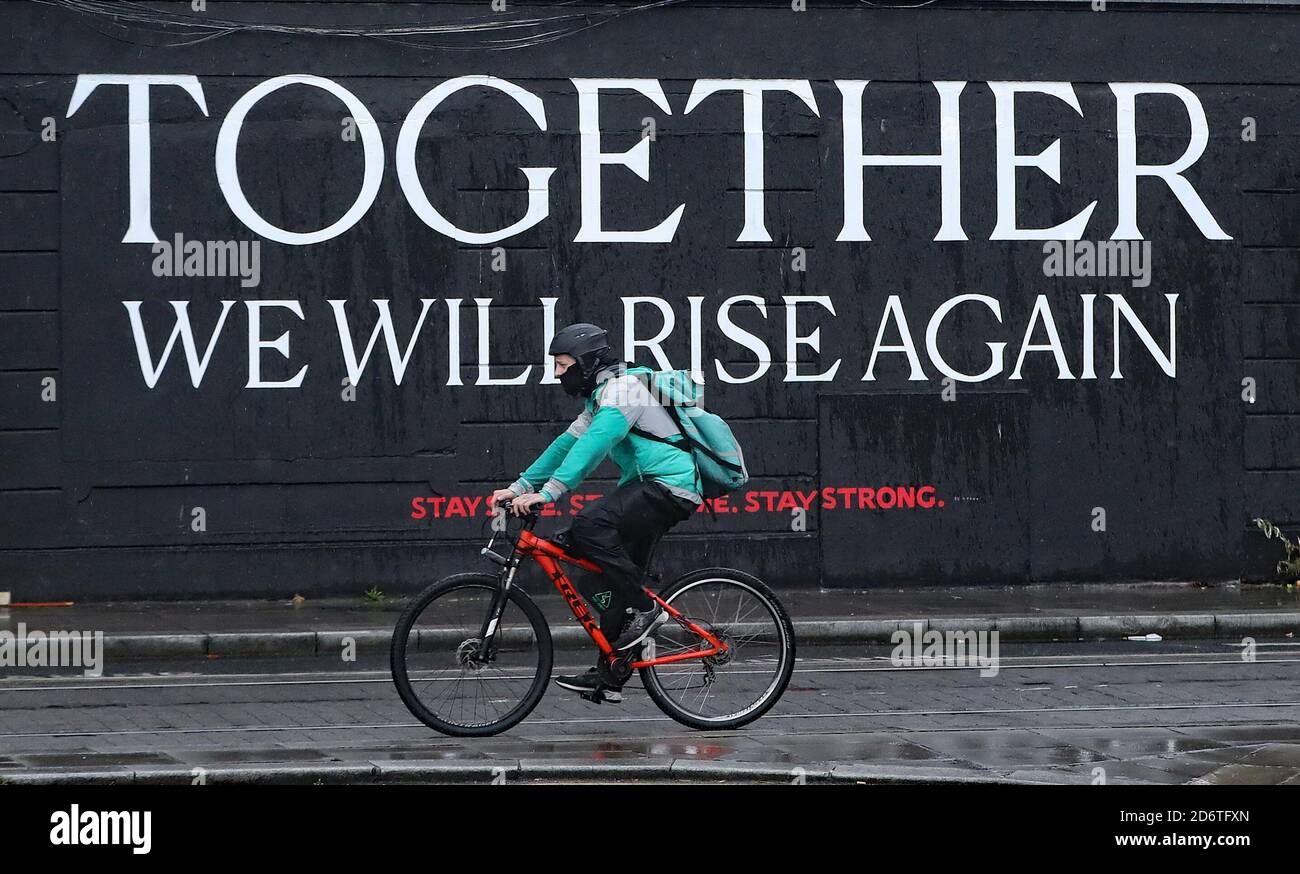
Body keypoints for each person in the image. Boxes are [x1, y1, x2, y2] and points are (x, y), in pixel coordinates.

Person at [489, 322, 702, 703]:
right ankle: (611, 673)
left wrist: (549, 493)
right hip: (646, 488)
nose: (556, 373)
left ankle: (646, 609)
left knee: (589, 525)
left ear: (585, 363)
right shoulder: (601, 397)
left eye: (562, 364)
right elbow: (564, 446)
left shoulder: (624, 391)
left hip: (669, 487)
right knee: (588, 564)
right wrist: (521, 486)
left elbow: (593, 446)